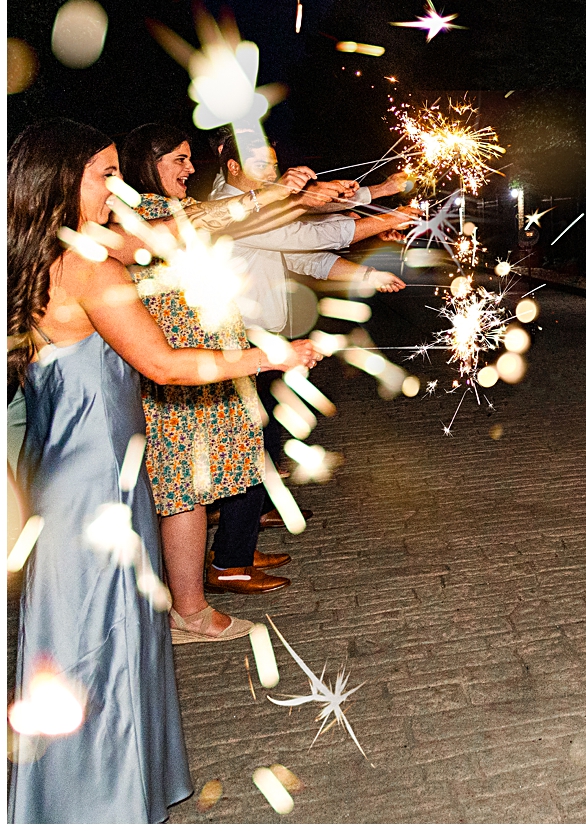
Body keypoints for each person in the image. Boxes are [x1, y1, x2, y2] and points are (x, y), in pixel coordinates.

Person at [7, 118, 318, 822]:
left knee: (81, 642)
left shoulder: (41, 253)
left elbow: (169, 236)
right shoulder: (90, 266)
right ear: (63, 180)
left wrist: (258, 198)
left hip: (67, 477)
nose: (116, 187)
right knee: (102, 643)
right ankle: (102, 801)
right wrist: (275, 356)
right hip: (98, 488)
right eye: (103, 174)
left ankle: (72, 795)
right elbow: (165, 364)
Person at [117, 124, 291, 616]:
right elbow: (192, 227)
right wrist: (272, 197)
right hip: (180, 372)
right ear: (147, 163)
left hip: (207, 369)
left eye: (190, 159)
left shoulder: (179, 209)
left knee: (200, 487)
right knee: (183, 490)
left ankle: (204, 586)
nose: (191, 169)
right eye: (179, 159)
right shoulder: (142, 216)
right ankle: (190, 608)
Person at [208, 139, 413, 539]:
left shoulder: (260, 206)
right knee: (251, 444)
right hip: (237, 339)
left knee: (261, 433)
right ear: (232, 166)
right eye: (259, 161)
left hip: (259, 337)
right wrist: (387, 217)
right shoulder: (231, 210)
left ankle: (253, 515)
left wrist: (368, 271)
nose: (271, 169)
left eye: (273, 160)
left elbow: (306, 252)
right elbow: (304, 234)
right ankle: (231, 557)